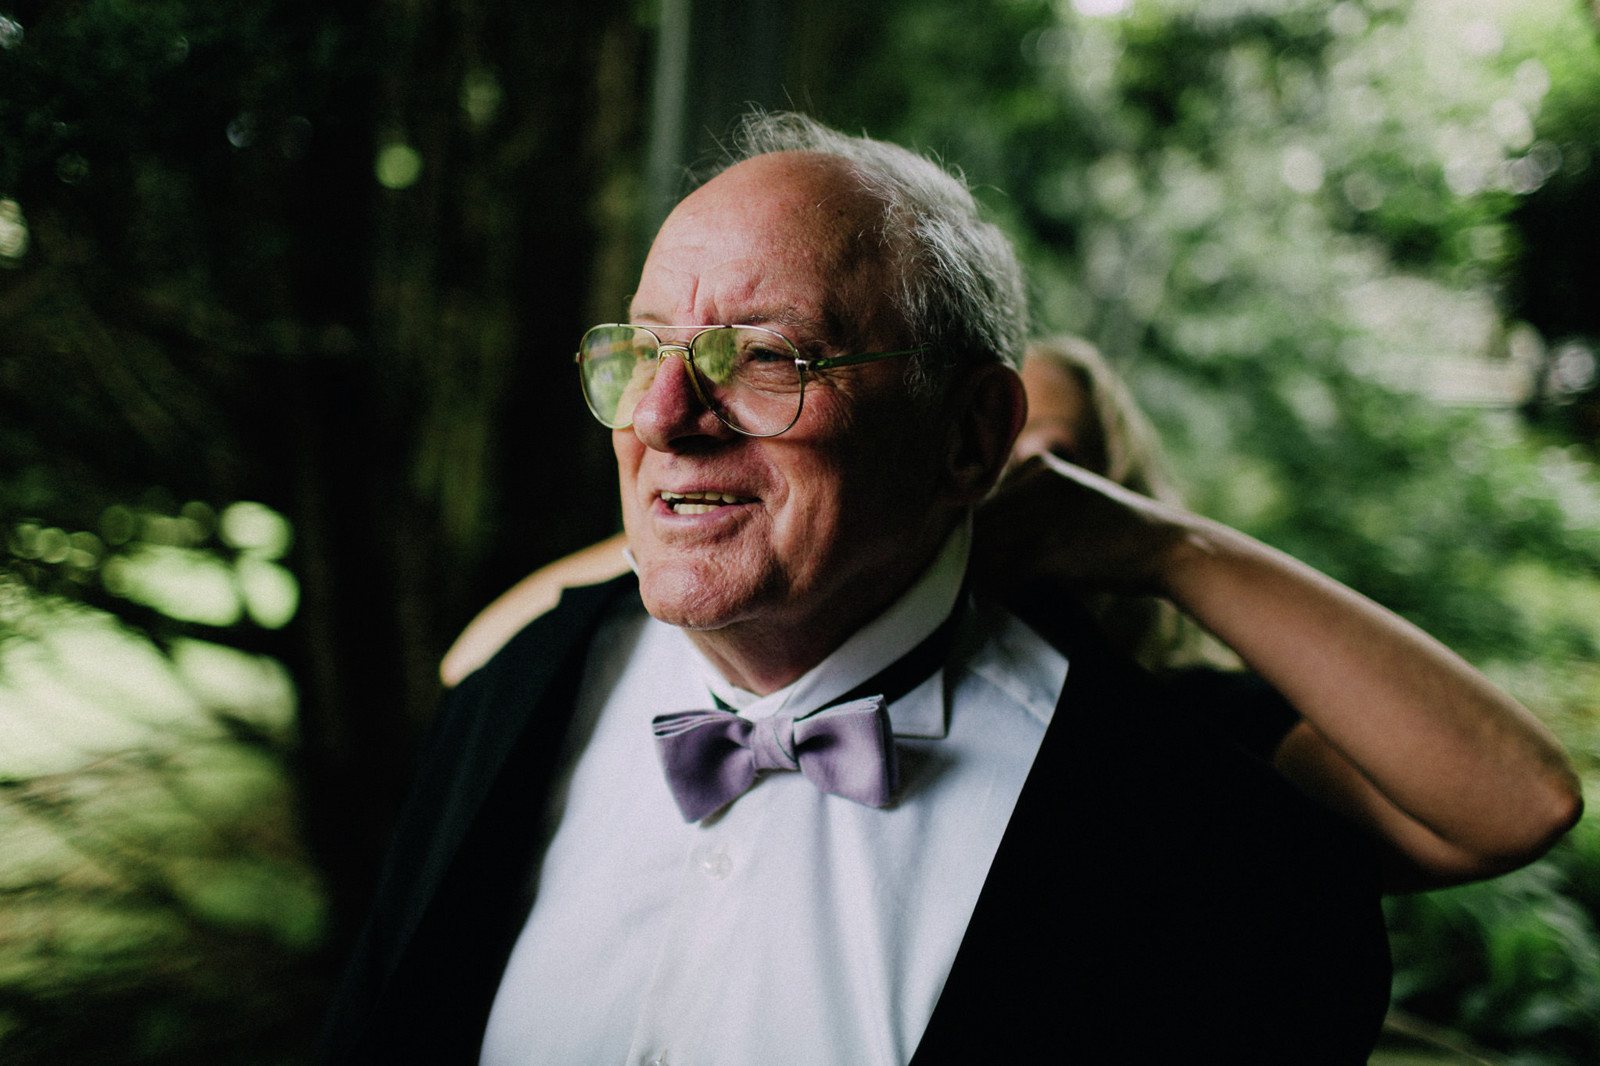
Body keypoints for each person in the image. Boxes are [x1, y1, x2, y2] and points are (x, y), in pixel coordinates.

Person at [319, 113, 1579, 1065]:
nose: (658, 414)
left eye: (765, 358)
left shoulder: (1181, 821)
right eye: (643, 350)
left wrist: (1160, 548)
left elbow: (1515, 802)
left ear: (971, 442)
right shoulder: (528, 694)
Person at [445, 334, 1582, 893]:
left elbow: (1518, 804)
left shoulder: (1184, 736)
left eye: (1055, 454)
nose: (1007, 483)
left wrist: (1161, 549)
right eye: (991, 447)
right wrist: (705, 527)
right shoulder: (763, 680)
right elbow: (477, 674)